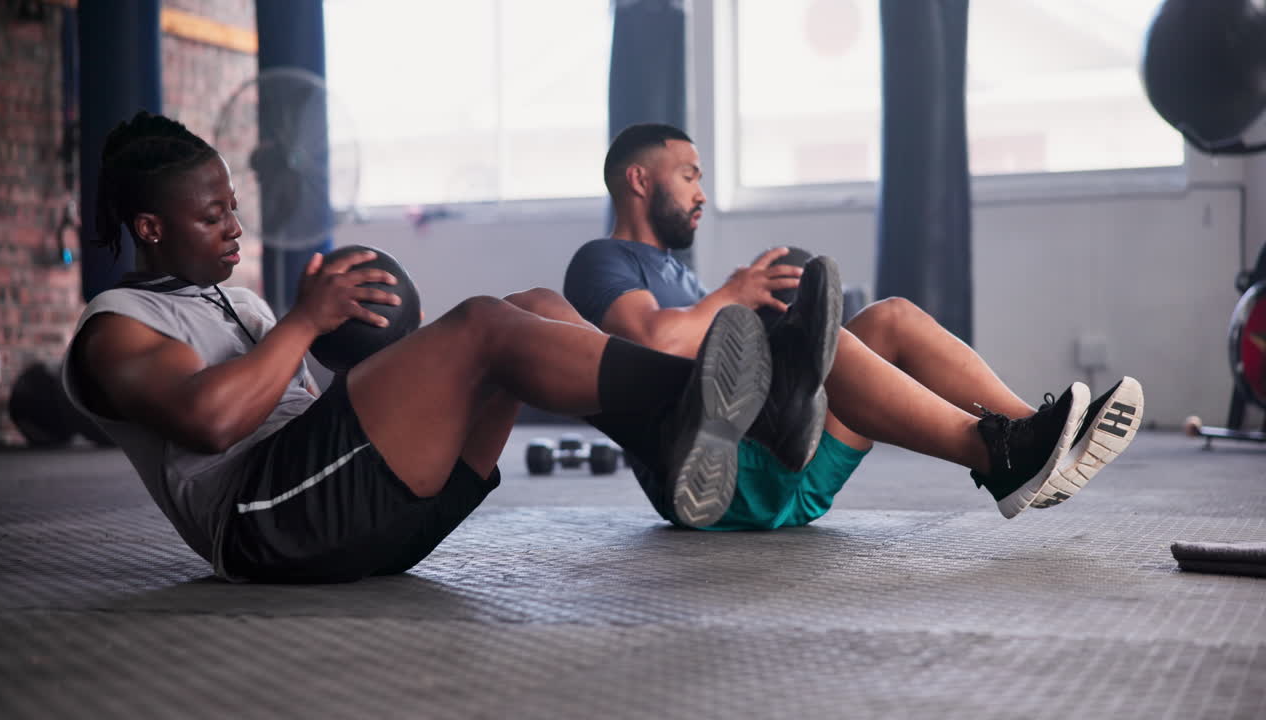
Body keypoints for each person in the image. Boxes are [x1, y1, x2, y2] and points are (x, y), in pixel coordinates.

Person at [61, 112, 826, 583]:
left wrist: (399, 342)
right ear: (150, 228)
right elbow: (211, 422)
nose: (234, 228)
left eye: (233, 208)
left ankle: (680, 438)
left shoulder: (244, 303)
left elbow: (327, 410)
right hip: (270, 526)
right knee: (485, 326)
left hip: (351, 506)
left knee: (533, 308)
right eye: (211, 217)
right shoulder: (117, 326)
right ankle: (757, 411)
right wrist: (306, 321)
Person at [563, 123, 1145, 530]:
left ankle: (1040, 436)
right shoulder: (602, 259)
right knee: (829, 342)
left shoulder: (682, 279)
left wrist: (755, 318)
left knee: (891, 317)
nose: (701, 193)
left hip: (789, 464)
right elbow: (651, 340)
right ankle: (1003, 456)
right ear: (639, 180)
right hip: (716, 483)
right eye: (689, 176)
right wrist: (734, 295)